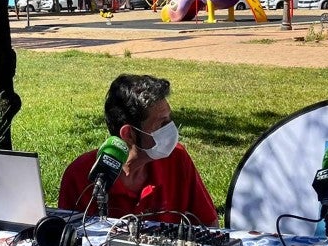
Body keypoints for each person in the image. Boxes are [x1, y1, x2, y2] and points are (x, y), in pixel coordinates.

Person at [58, 73, 217, 225]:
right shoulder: (80, 174)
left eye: (170, 119)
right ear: (129, 134)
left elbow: (209, 224)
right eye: (161, 123)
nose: (171, 128)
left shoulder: (177, 158)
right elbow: (65, 237)